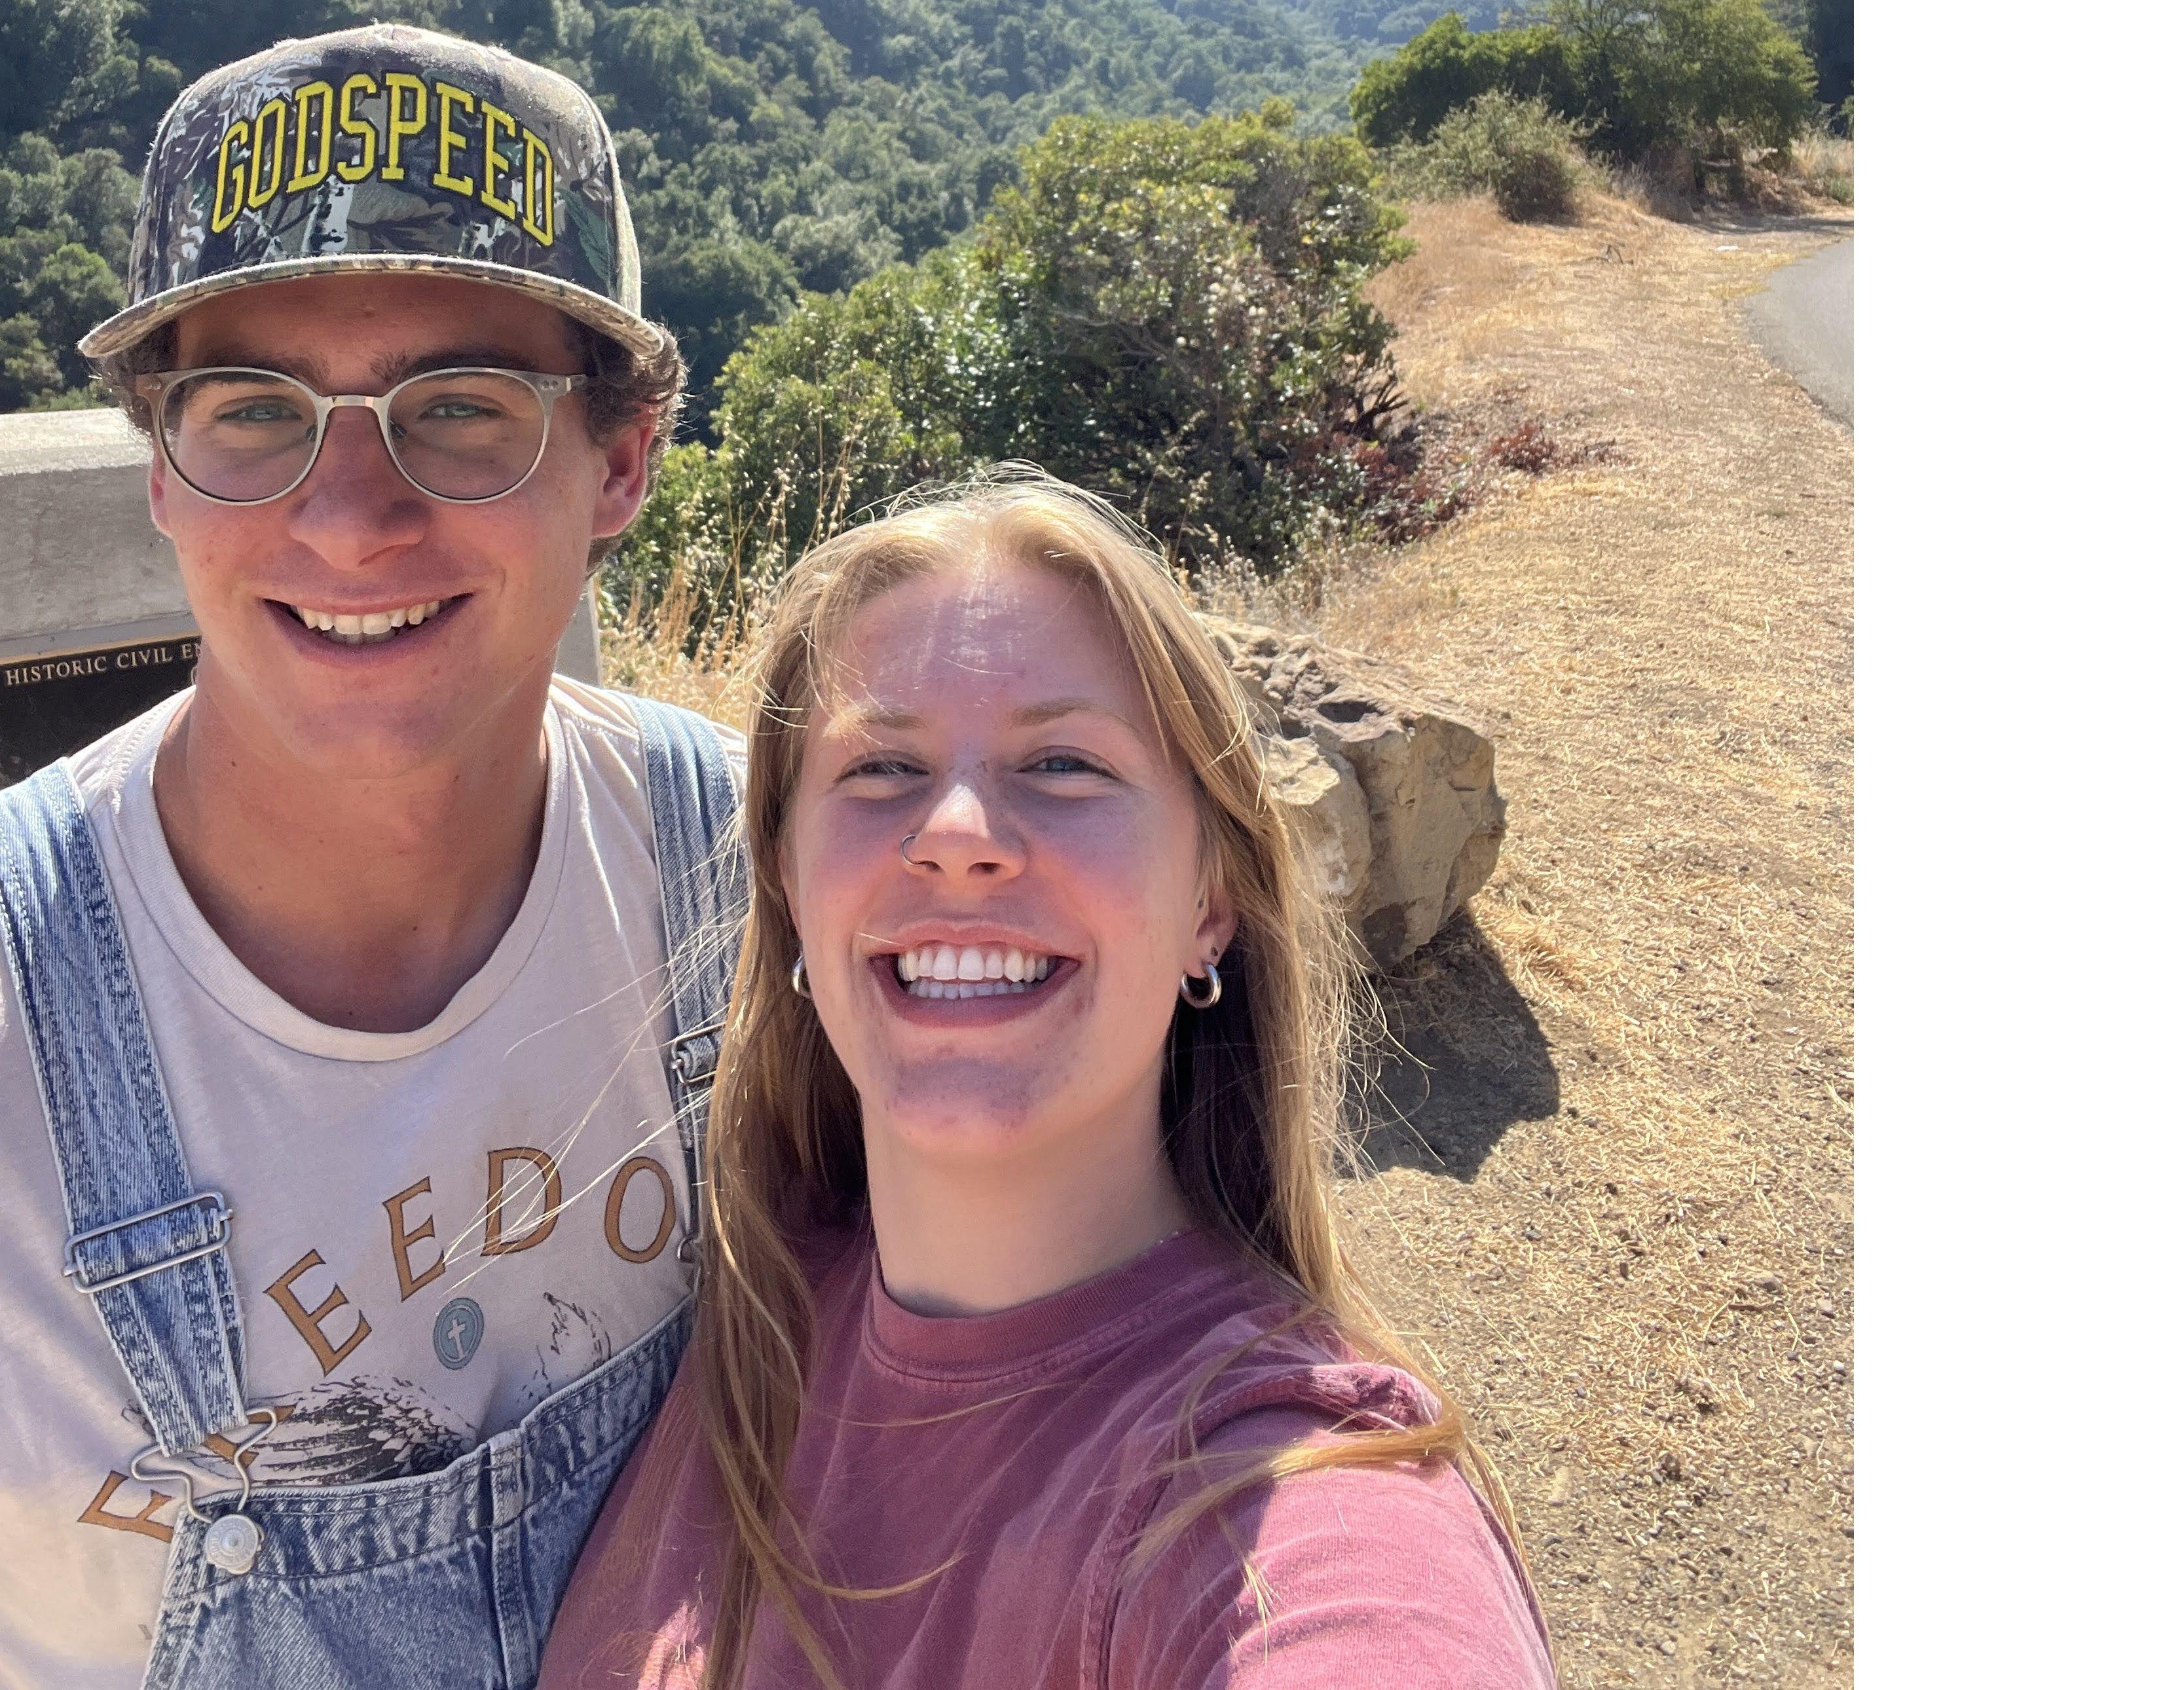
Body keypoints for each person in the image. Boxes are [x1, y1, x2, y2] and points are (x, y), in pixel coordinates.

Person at [0, 26, 748, 1690]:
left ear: (620, 461)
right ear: (161, 469)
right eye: (256, 413)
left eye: (466, 410)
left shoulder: (757, 884)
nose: (351, 517)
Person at [541, 473, 1556, 1690]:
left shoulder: (1297, 1500)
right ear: (790, 892)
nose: (958, 828)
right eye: (880, 769)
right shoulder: (744, 1305)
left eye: (1065, 763)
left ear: (1208, 905)